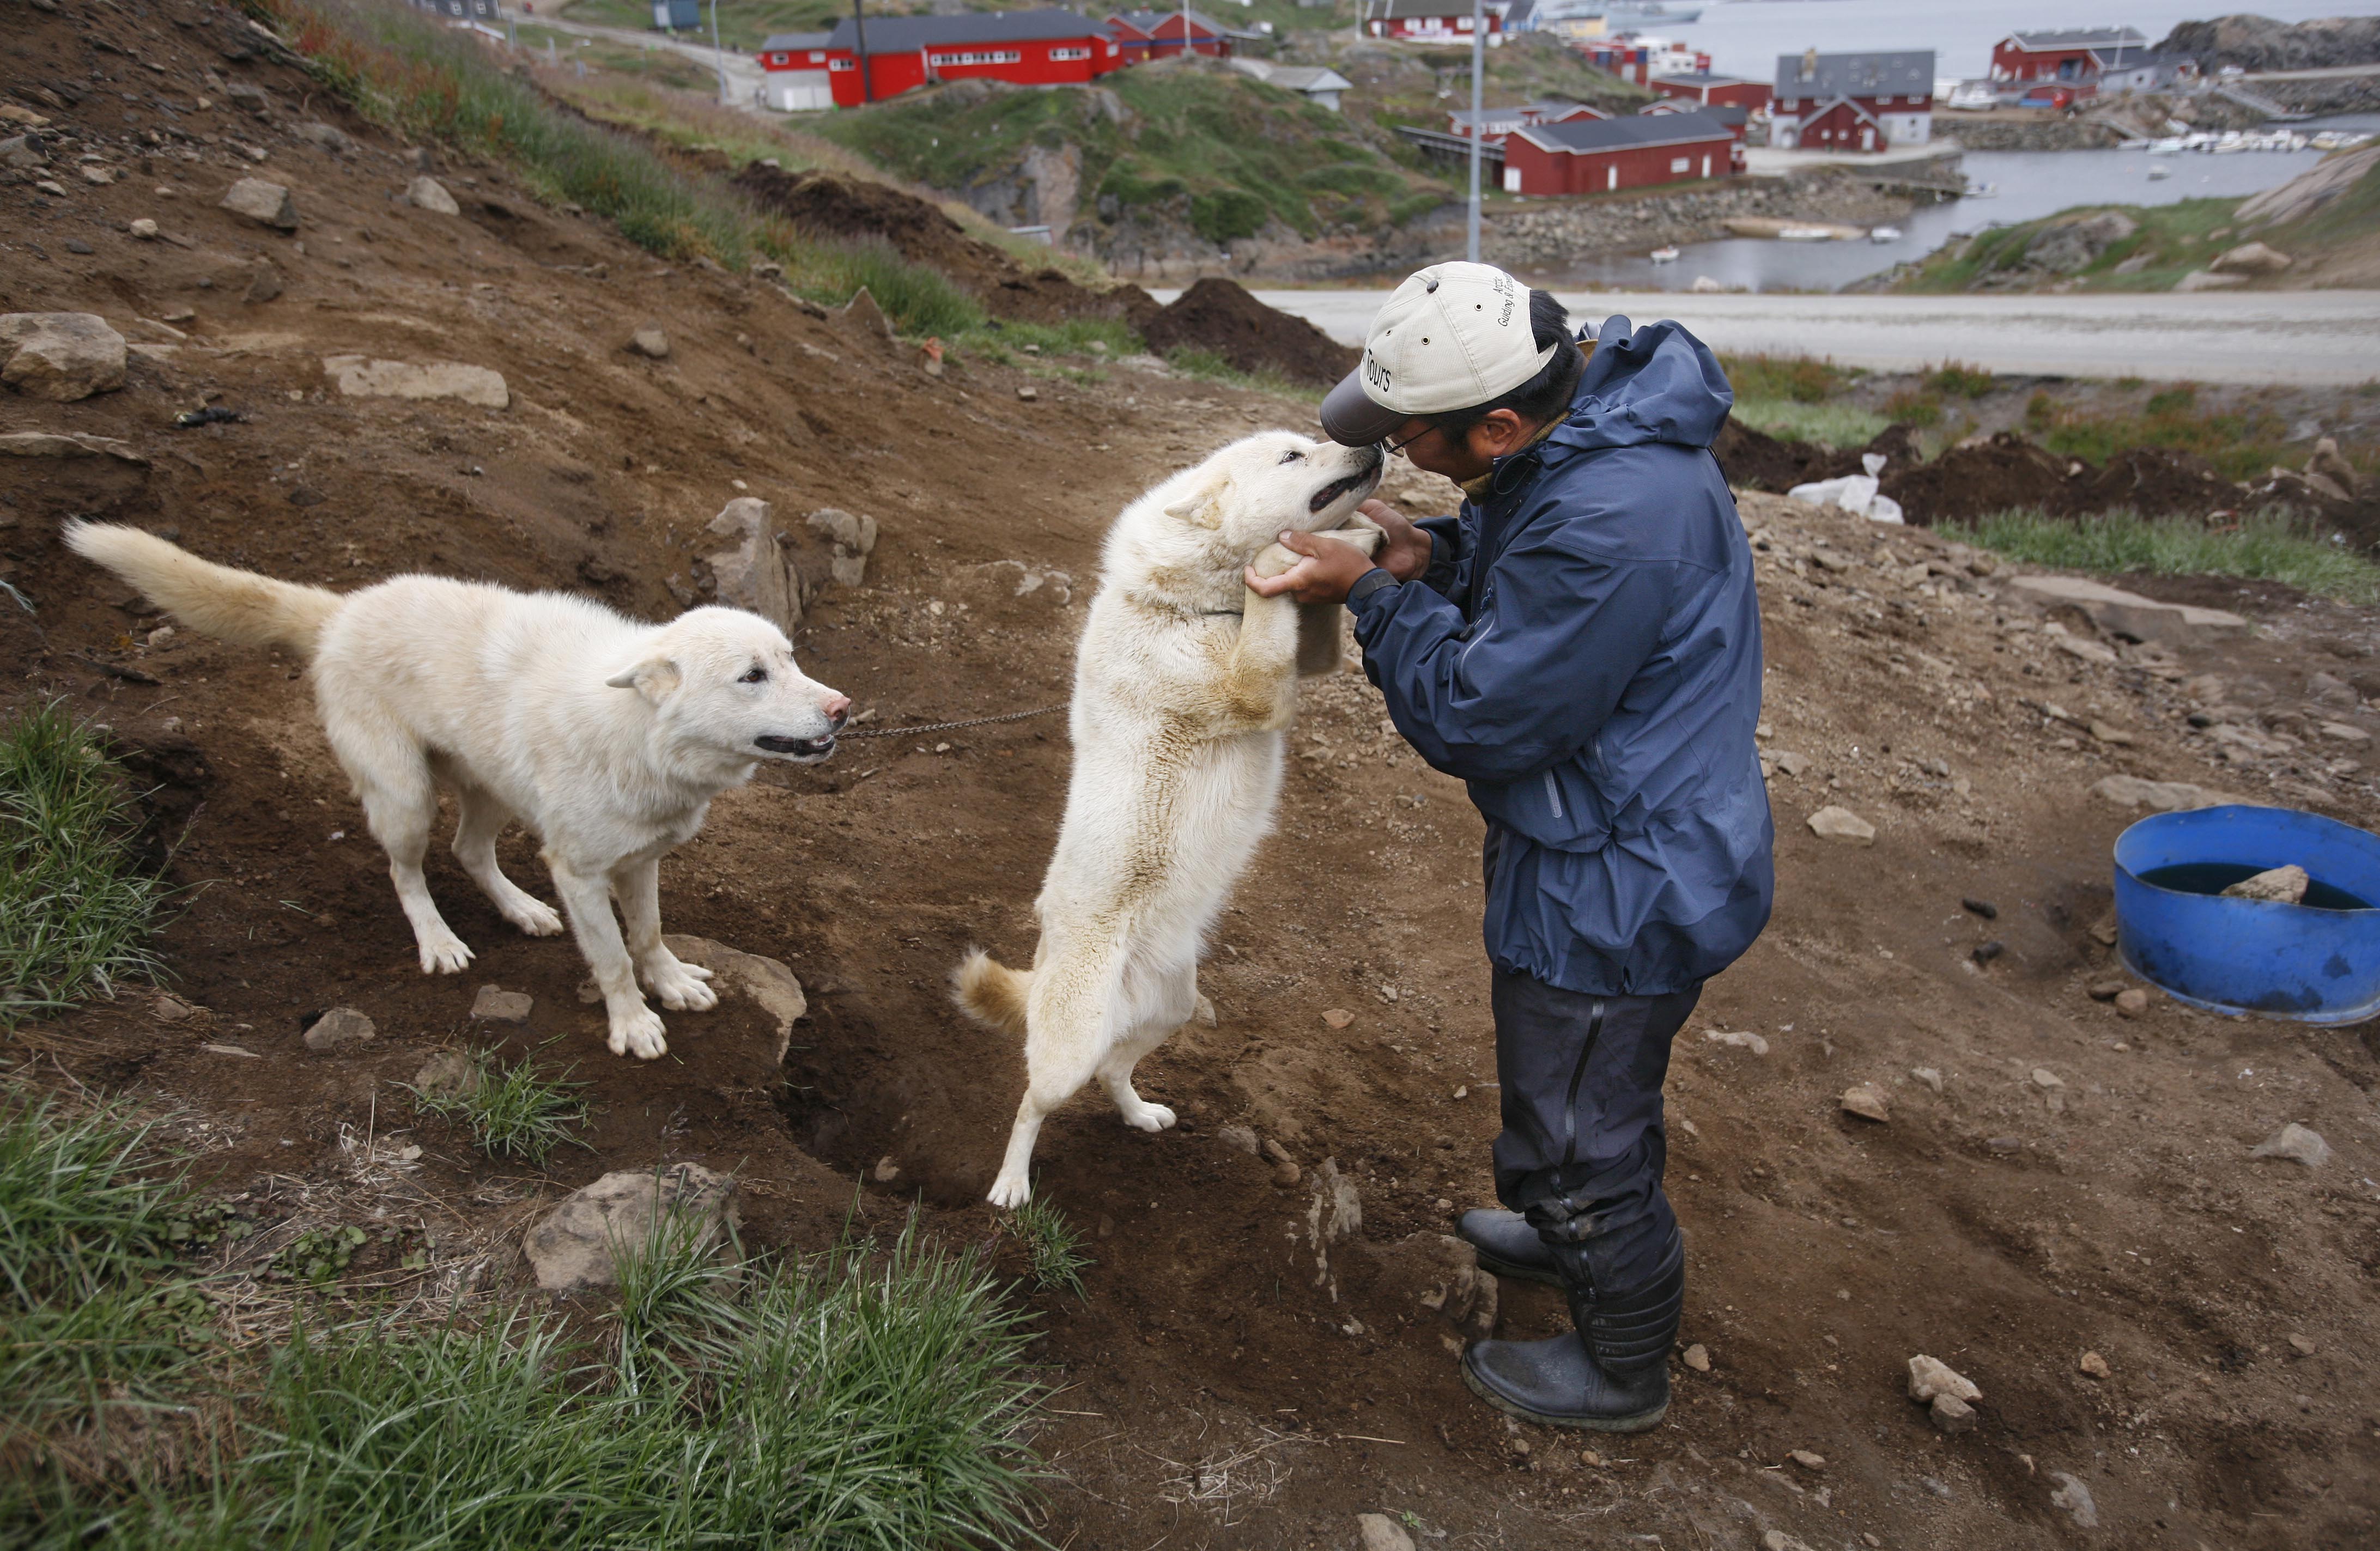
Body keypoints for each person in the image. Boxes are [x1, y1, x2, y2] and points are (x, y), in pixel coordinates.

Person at [1246, 263, 1772, 1433]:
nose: (1394, 455)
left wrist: (1374, 601)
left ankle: (1622, 1362)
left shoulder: (1612, 517)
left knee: (1584, 1128)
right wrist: (1427, 556)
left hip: (1623, 881)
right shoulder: (1590, 433)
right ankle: (1556, 1228)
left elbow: (1485, 714)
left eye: (1410, 436)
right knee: (1581, 1085)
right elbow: (1536, 581)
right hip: (1615, 830)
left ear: (1495, 421)